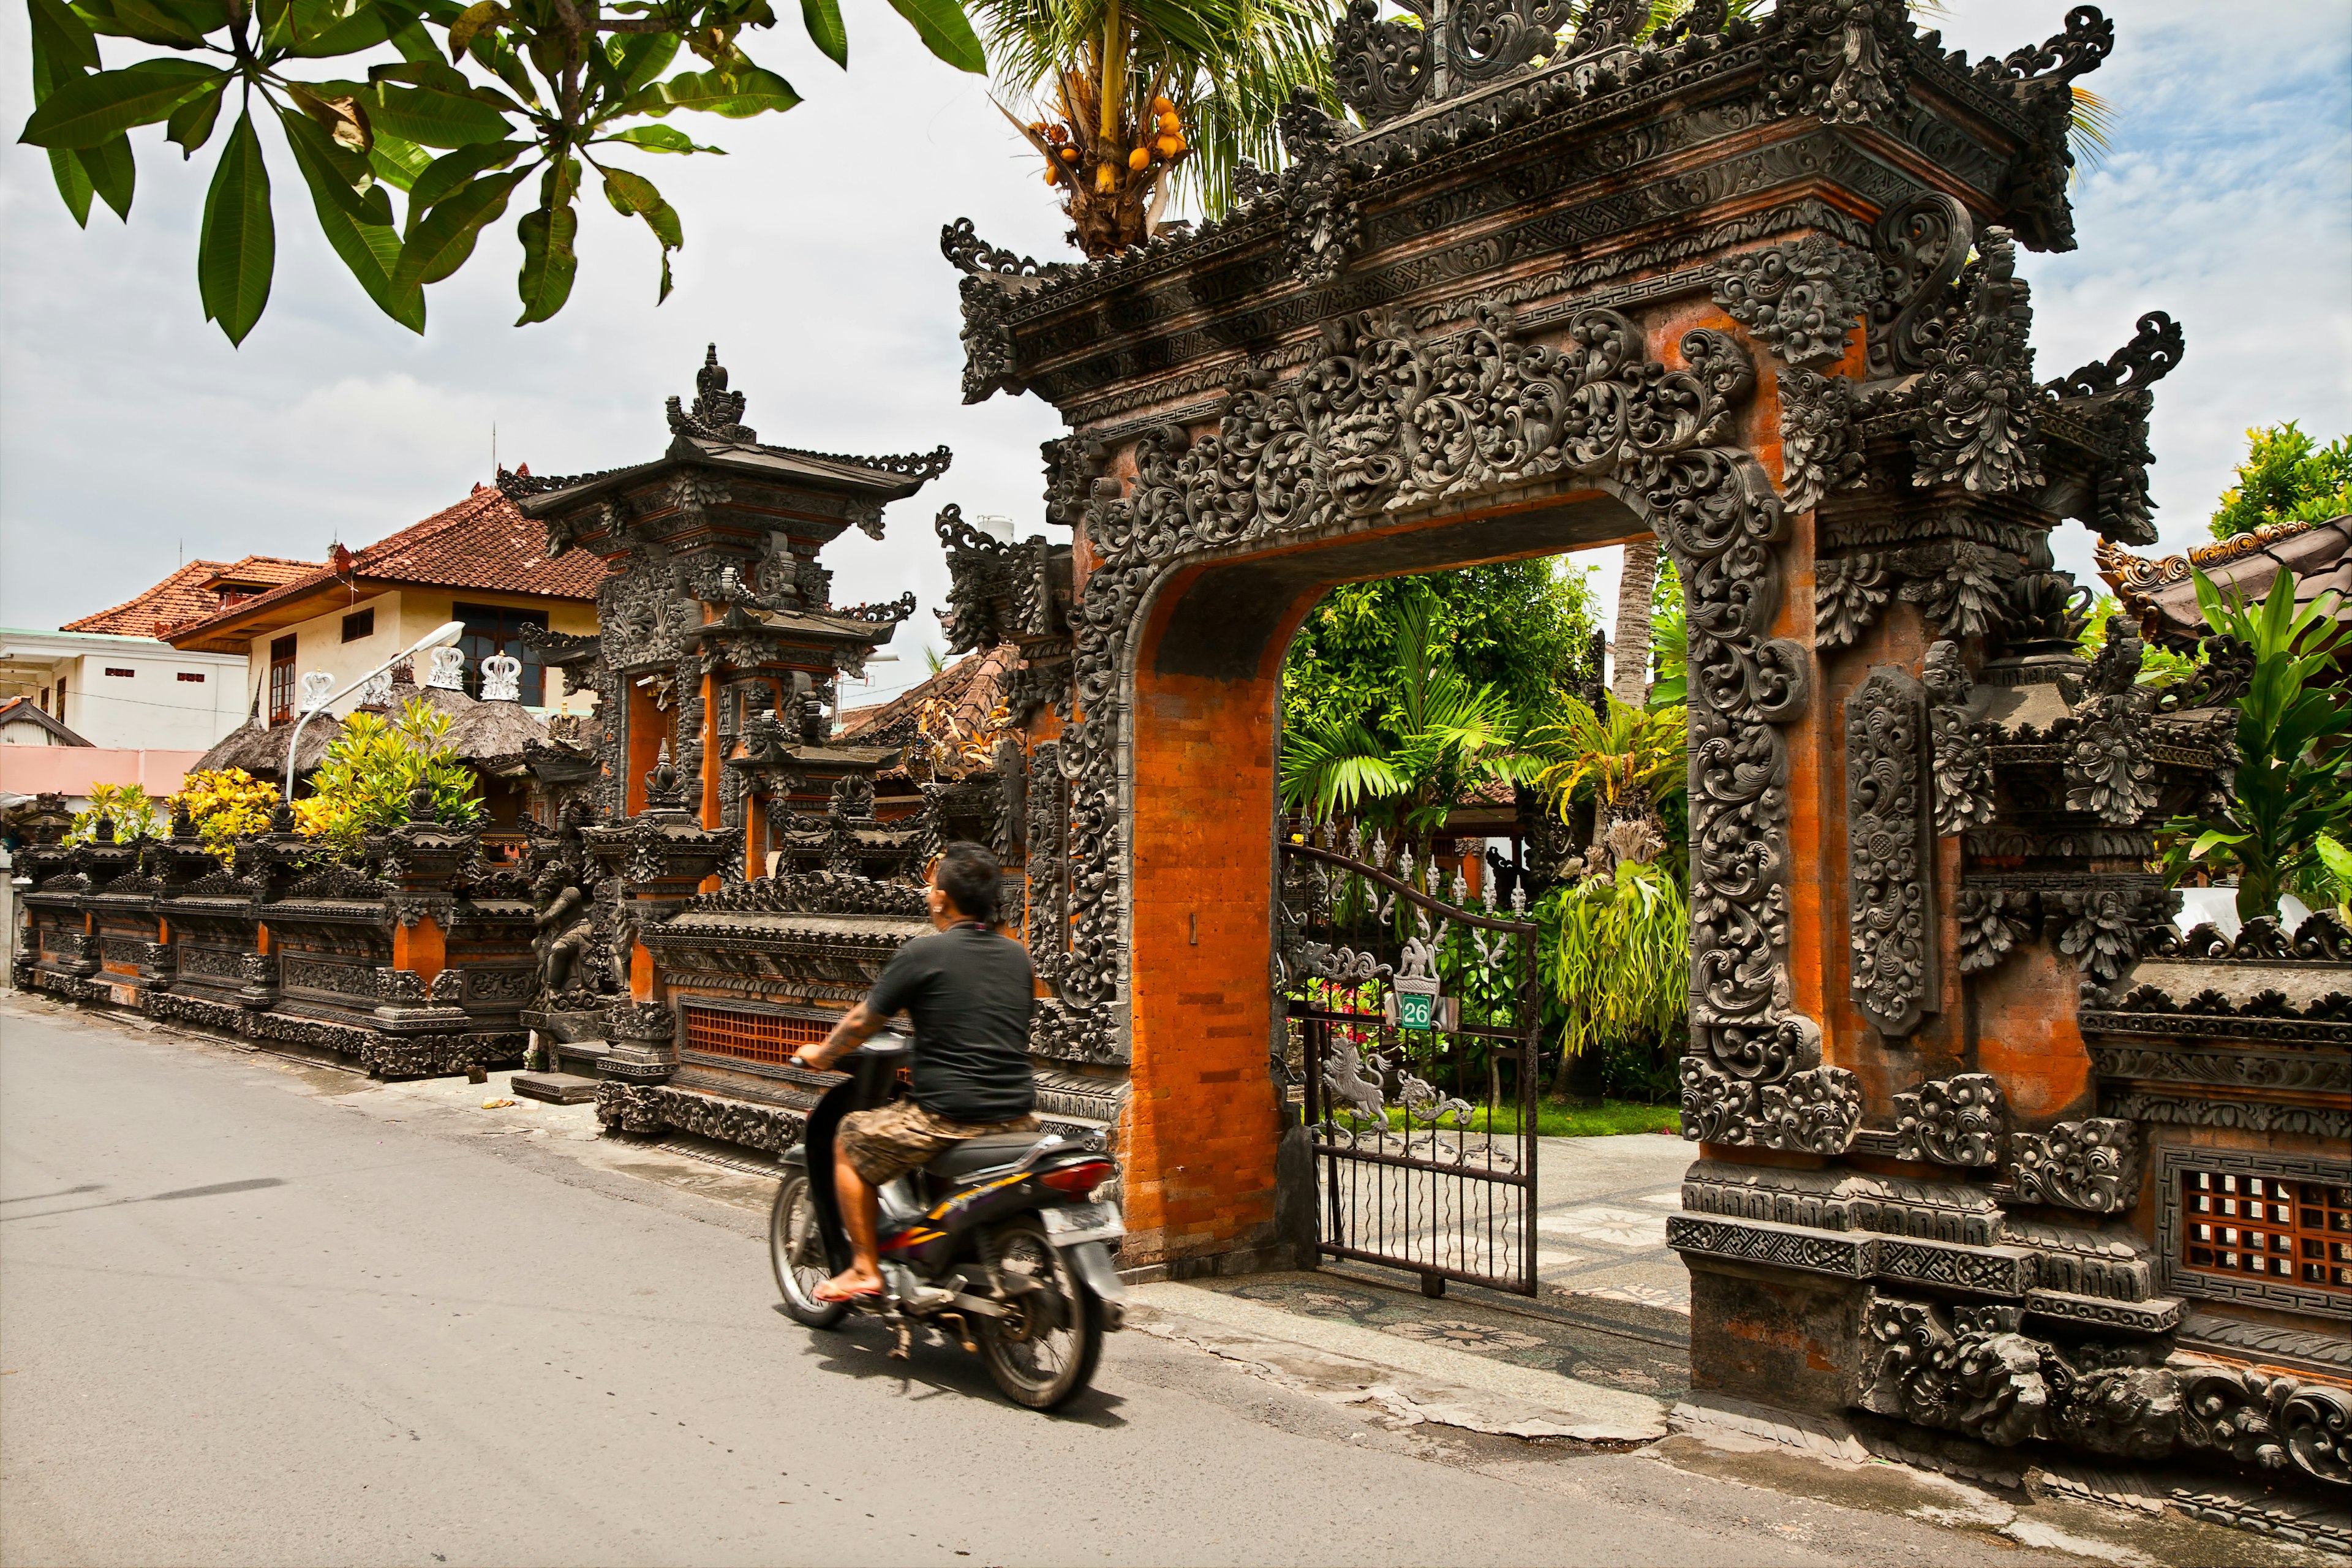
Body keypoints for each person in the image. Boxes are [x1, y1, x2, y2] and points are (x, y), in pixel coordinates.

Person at [787, 840, 1037, 1303]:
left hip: (948, 1119)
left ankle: (864, 1268)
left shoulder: (924, 953)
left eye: (932, 884)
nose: (927, 892)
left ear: (942, 898)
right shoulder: (1017, 955)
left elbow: (864, 1020)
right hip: (1018, 1117)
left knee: (848, 1140)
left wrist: (823, 1053)